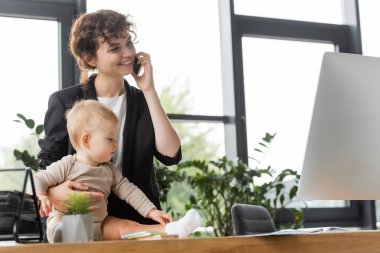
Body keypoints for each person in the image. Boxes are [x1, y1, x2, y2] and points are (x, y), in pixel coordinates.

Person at [37, 9, 182, 225]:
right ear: (90, 58)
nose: (128, 53)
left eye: (129, 43)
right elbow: (47, 166)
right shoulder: (64, 101)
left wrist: (149, 90)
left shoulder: (144, 101)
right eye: (115, 48)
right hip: (81, 217)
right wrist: (55, 193)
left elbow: (171, 155)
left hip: (137, 220)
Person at [34, 100, 201, 243]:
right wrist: (41, 196)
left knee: (128, 227)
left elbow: (130, 191)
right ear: (86, 140)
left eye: (116, 139)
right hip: (68, 221)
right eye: (110, 139)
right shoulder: (67, 165)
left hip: (101, 225)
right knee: (60, 220)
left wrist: (152, 211)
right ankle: (63, 234)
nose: (116, 145)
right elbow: (40, 179)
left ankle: (172, 230)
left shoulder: (110, 170)